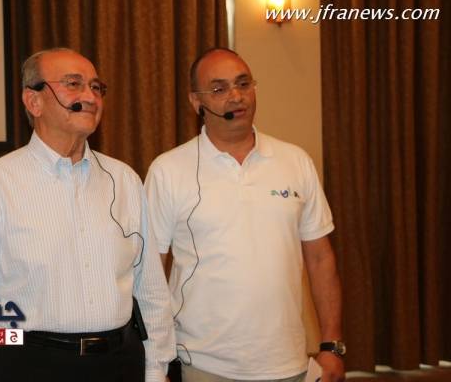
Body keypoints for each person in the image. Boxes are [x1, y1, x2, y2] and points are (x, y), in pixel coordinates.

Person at [0, 48, 175, 382]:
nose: (90, 97)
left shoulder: (125, 180)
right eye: (73, 84)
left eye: (96, 87)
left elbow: (150, 288)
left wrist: (156, 369)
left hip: (119, 364)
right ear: (33, 101)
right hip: (27, 365)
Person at [144, 48, 345, 382]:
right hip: (201, 364)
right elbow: (150, 272)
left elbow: (321, 258)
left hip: (289, 362)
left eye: (243, 83)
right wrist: (155, 362)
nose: (236, 96)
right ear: (196, 102)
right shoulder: (169, 170)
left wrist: (332, 346)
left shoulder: (295, 161)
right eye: (219, 88)